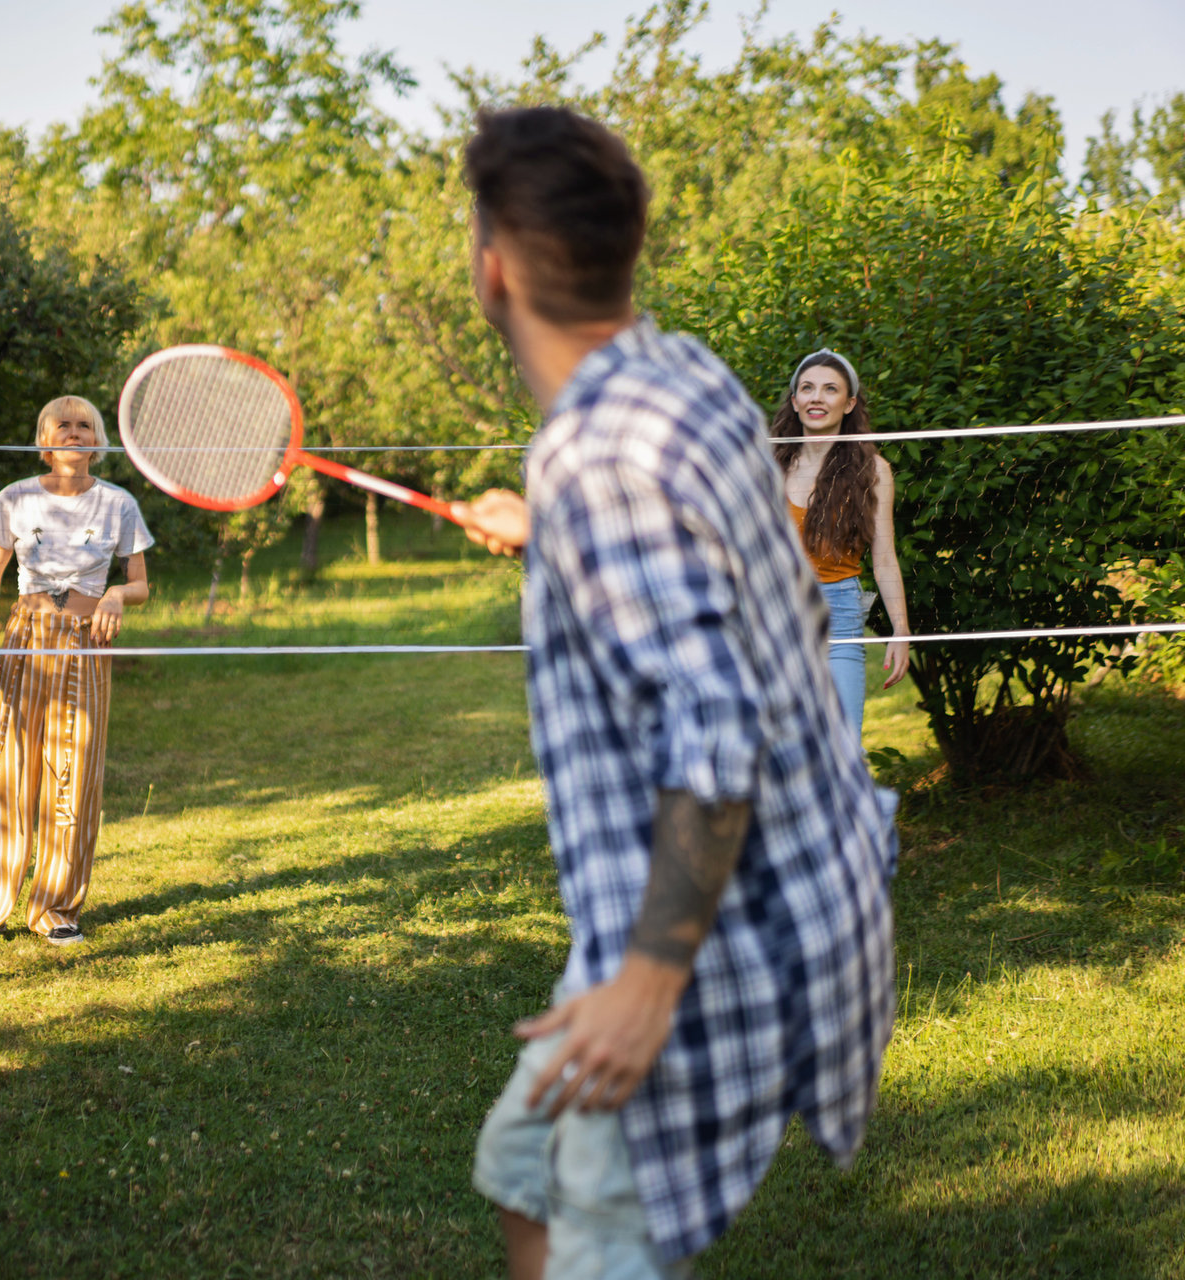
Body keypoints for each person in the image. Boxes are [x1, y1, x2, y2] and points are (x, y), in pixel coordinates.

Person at [448, 108, 899, 1277]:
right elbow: (743, 579)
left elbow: (718, 716)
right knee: (525, 1170)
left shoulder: (600, 453)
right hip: (792, 875)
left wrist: (649, 982)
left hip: (709, 931)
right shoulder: (681, 370)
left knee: (601, 1234)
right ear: (628, 247)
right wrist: (552, 527)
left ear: (491, 265)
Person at [0, 396, 152, 945]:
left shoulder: (119, 504)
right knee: (10, 771)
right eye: (61, 425)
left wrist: (117, 594)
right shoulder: (14, 498)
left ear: (98, 441)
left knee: (76, 772)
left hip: (86, 643)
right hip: (25, 639)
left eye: (84, 425)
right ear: (44, 439)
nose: (73, 432)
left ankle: (56, 910)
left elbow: (141, 584)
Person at [773, 349, 912, 736]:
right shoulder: (762, 463)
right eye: (807, 388)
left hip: (838, 613)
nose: (817, 397)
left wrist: (900, 629)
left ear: (849, 403)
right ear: (796, 401)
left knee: (842, 748)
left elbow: (884, 559)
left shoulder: (874, 471)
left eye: (830, 389)